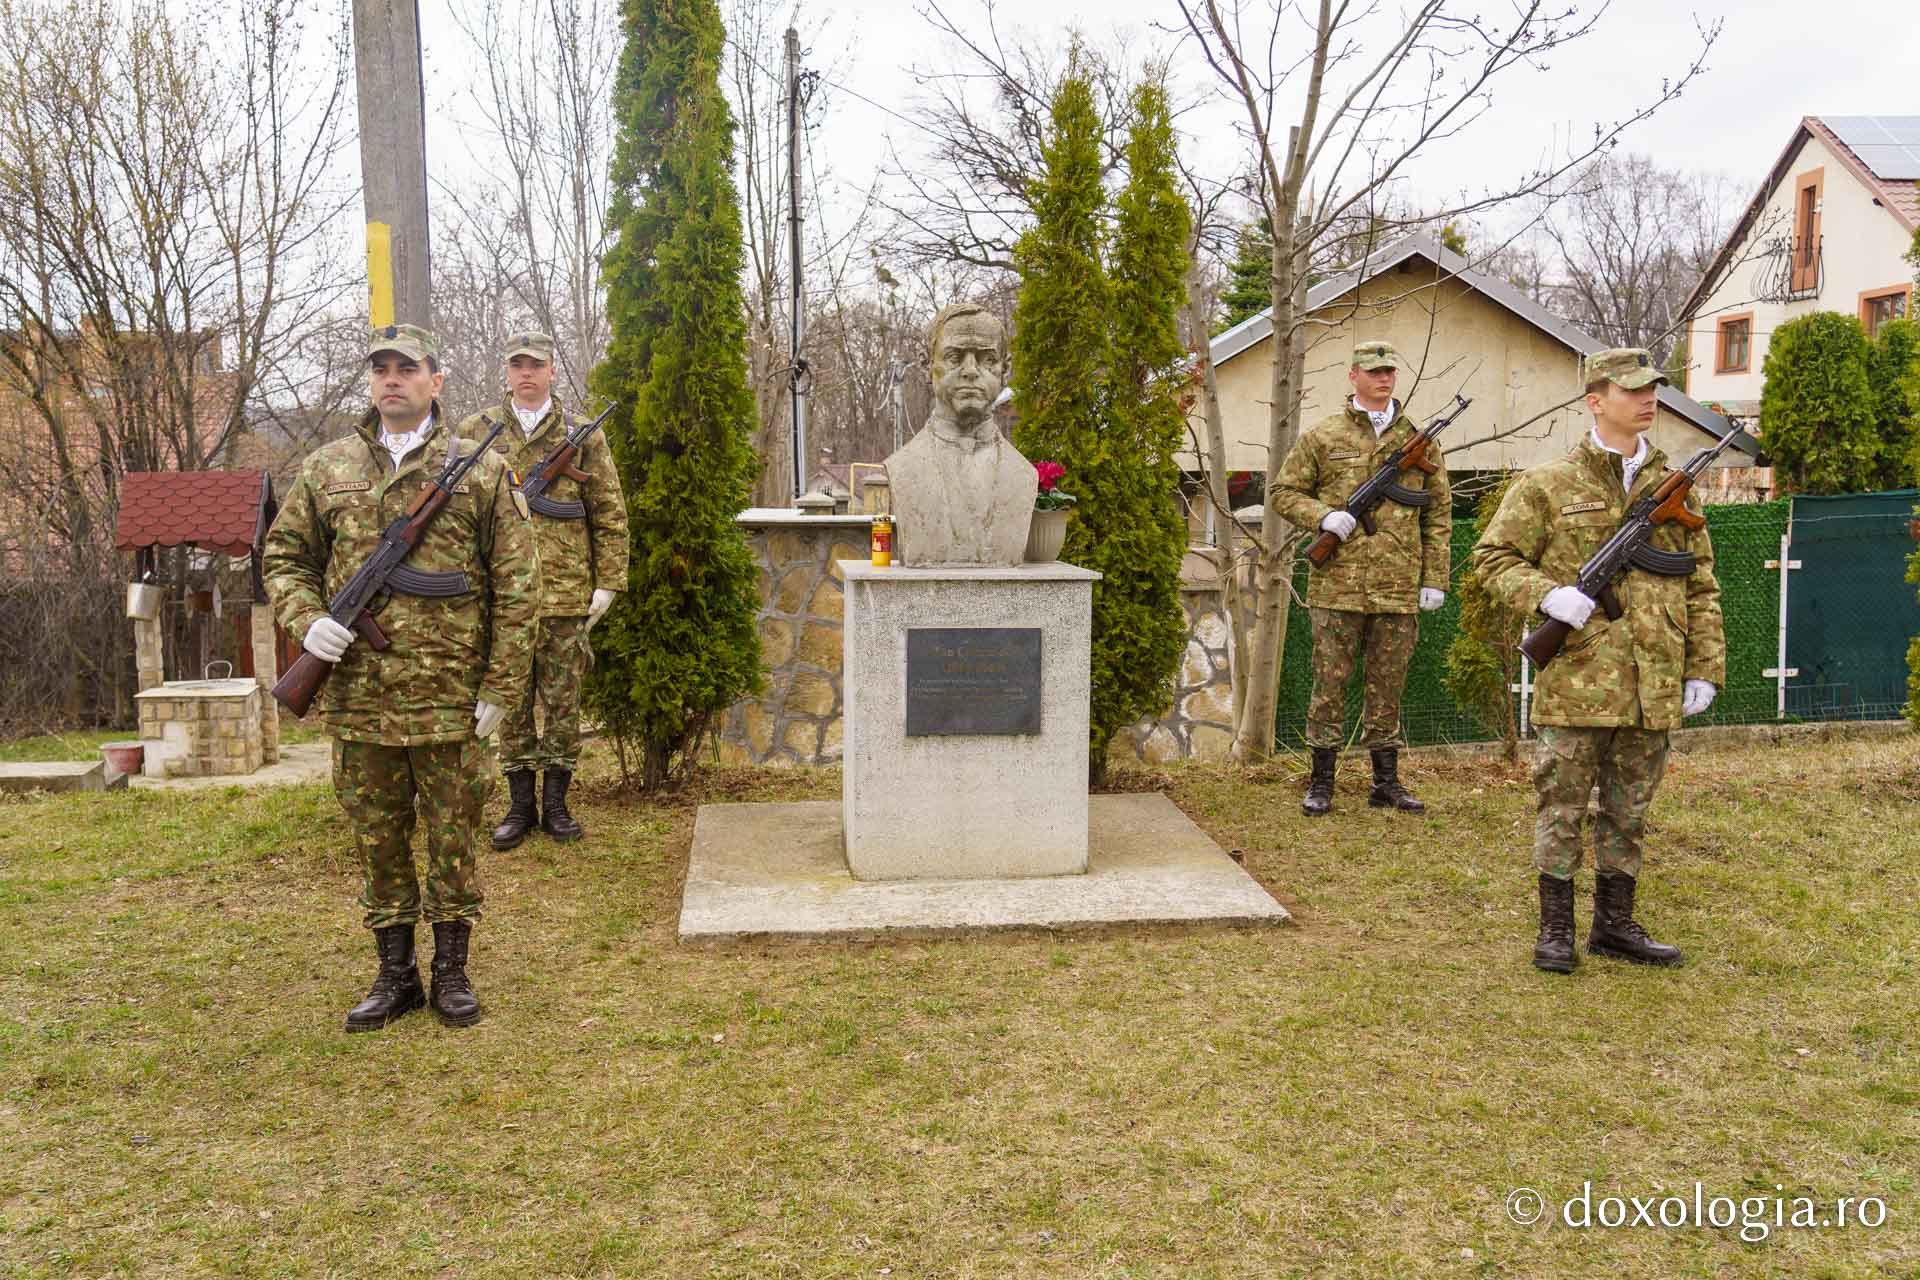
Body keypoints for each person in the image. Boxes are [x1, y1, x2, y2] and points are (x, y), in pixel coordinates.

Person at [264, 323, 538, 1030]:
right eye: (381, 367)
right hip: (359, 702)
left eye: (406, 368)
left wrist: (501, 690)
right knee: (378, 840)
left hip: (452, 704)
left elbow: (518, 587)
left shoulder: (479, 471)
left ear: (434, 382)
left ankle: (451, 973)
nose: (392, 378)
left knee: (453, 838)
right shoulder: (327, 468)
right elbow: (284, 557)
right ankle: (395, 975)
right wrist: (307, 619)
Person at [1470, 347, 1725, 974]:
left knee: (1629, 811)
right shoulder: (1548, 483)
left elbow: (1701, 585)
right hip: (1579, 679)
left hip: (1654, 684)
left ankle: (1614, 925)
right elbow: (1492, 559)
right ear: (1595, 399)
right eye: (1632, 389)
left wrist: (1703, 667)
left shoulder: (1676, 490)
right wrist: (1548, 595)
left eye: (1653, 389)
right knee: (1560, 806)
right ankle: (1555, 929)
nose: (1648, 400)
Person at [1267, 340, 1451, 816]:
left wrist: (1436, 578)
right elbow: (1282, 493)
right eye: (1373, 371)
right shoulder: (1323, 436)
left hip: (1397, 585)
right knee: (1328, 684)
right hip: (1339, 585)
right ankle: (1321, 781)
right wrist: (1323, 516)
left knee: (1388, 686)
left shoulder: (1420, 440)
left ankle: (1385, 783)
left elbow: (1439, 514)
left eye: (1389, 370)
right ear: (1353, 376)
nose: (1383, 378)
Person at [459, 332, 628, 849]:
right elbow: (458, 515)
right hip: (503, 599)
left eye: (536, 365)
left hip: (566, 593)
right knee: (508, 700)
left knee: (561, 701)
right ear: (505, 372)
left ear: (552, 370)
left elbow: (609, 510)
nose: (526, 373)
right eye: (517, 365)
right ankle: (519, 804)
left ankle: (556, 803)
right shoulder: (476, 432)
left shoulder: (580, 433)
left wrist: (609, 582)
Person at [883, 302, 1037, 566]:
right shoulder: (903, 469)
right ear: (926, 366)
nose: (970, 371)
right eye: (954, 357)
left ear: (1005, 370)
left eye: (987, 359)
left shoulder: (1023, 475)